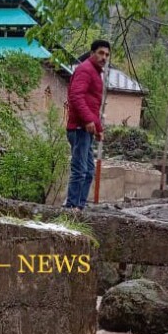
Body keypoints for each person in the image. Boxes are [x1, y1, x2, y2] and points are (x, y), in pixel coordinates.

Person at [64, 39, 110, 210]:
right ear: (92, 54)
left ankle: (79, 207)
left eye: (106, 54)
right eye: (100, 53)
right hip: (78, 128)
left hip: (86, 130)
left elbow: (92, 106)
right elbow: (76, 96)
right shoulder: (85, 70)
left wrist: (98, 129)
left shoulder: (95, 73)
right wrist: (88, 121)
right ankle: (71, 207)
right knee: (80, 170)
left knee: (89, 171)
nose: (104, 57)